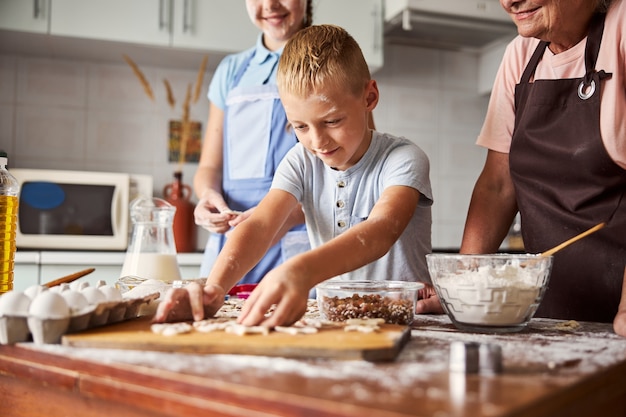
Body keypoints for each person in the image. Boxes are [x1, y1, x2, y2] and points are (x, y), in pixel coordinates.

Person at [155, 24, 433, 327]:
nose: (317, 141)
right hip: (339, 322)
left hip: (411, 320)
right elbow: (261, 224)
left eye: (332, 121)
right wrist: (214, 290)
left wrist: (301, 270)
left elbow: (381, 231)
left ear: (369, 98)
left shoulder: (403, 159)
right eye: (299, 126)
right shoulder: (302, 161)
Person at [417, 0, 626, 337]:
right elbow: (498, 185)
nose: (509, 1)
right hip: (547, 317)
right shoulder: (521, 54)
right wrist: (463, 286)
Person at [193, 0, 313, 285]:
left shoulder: (330, 62)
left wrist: (283, 216)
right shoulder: (231, 71)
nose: (270, 4)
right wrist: (208, 198)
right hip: (232, 243)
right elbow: (209, 165)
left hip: (300, 245)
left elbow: (355, 173)